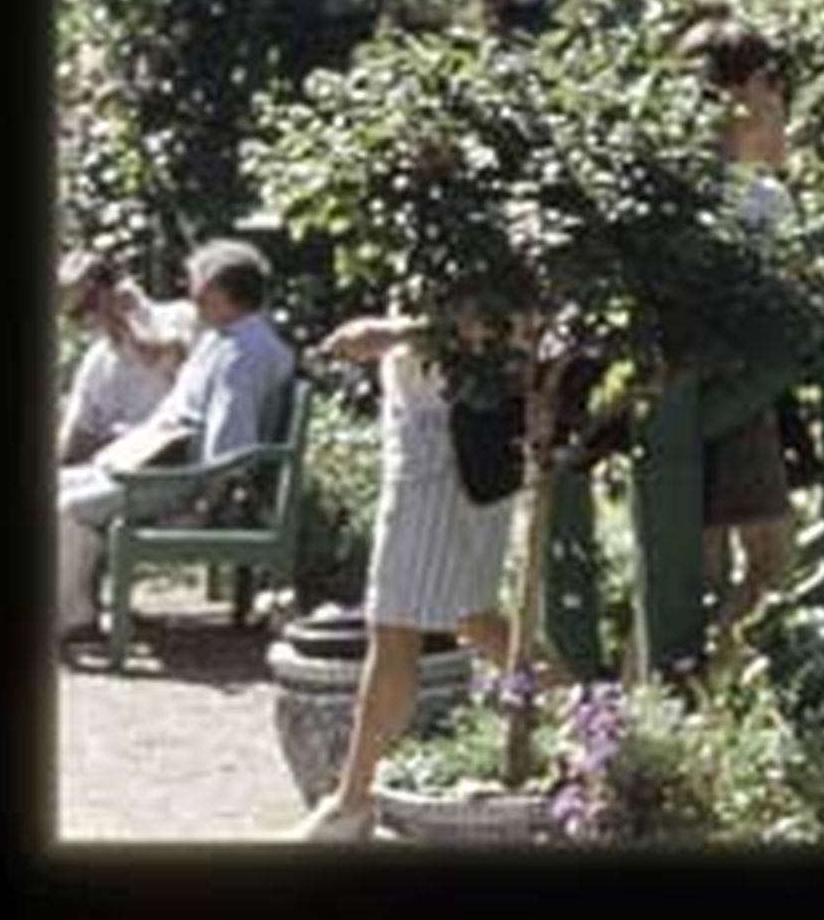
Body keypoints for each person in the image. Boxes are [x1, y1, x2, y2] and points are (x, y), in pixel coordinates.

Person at [287, 313, 520, 842]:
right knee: (472, 620)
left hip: (445, 456)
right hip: (437, 449)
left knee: (397, 627)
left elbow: (495, 317)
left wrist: (387, 334)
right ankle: (602, 721)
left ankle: (351, 803)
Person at [56, 236, 295, 653]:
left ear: (217, 290)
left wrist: (205, 505)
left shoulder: (242, 353)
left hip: (179, 478)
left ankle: (76, 622)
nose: (190, 291)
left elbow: (230, 441)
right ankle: (67, 611)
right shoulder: (227, 339)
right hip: (159, 465)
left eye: (195, 282)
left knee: (67, 509)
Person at [685, 15, 799, 639]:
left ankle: (678, 682)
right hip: (734, 395)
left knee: (698, 570)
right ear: (743, 91)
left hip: (690, 392)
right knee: (769, 561)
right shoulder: (753, 200)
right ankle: (697, 681)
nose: (780, 97)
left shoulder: (689, 185)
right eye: (771, 82)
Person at [55, 250, 190, 469]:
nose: (88, 320)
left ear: (115, 288)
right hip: (115, 468)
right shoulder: (96, 360)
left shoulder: (180, 318)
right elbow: (73, 436)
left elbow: (167, 360)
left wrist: (132, 322)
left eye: (90, 303)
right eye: (76, 314)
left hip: (174, 467)